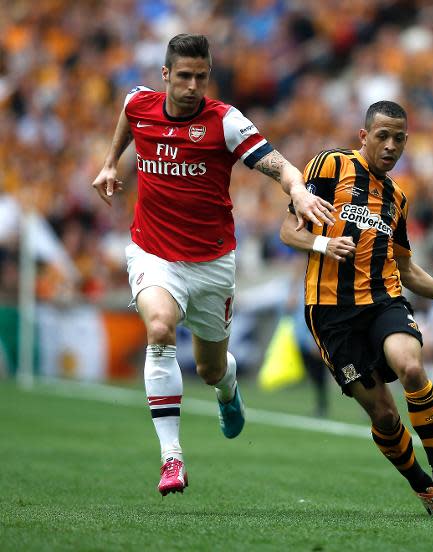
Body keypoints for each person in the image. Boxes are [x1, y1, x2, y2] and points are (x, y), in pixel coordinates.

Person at [91, 34, 334, 496]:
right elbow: (127, 111)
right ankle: (171, 459)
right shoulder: (141, 103)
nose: (192, 86)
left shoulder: (225, 122)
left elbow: (279, 164)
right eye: (183, 76)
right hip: (153, 252)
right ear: (165, 75)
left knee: (210, 368)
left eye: (201, 77)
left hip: (212, 263)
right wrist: (109, 164)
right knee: (159, 327)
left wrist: (298, 190)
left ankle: (228, 390)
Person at [279, 101, 433, 517]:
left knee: (411, 368)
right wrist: (324, 243)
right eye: (383, 136)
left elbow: (407, 268)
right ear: (364, 136)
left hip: (383, 300)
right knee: (384, 414)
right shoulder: (328, 166)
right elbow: (289, 230)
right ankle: (427, 491)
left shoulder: (397, 198)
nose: (391, 145)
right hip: (331, 313)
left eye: (400, 139)